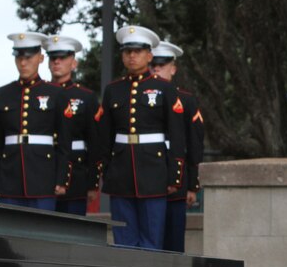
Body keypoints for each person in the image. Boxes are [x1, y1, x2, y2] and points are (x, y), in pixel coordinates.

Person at [96, 24, 186, 249]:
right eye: (128, 52)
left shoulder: (163, 89)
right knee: (123, 241)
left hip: (154, 172)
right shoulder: (113, 90)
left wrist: (175, 176)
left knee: (152, 240)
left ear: (149, 55)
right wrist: (104, 170)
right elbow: (105, 135)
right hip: (120, 173)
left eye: (137, 51)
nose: (132, 56)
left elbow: (177, 134)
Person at [0, 32, 71, 209]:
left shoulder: (56, 93)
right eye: (19, 58)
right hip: (10, 175)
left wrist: (61, 178)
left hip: (44, 175)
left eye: (28, 57)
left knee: (42, 232)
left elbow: (64, 141)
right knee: (9, 232)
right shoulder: (2, 94)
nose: (23, 63)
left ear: (40, 58)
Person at [151, 40, 205, 252]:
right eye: (153, 65)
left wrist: (192, 184)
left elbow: (194, 144)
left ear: (172, 69)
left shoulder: (186, 100)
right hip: (146, 177)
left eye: (161, 66)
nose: (156, 70)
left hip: (176, 178)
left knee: (173, 240)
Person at [45, 34, 100, 215]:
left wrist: (93, 182)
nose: (57, 62)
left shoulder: (86, 97)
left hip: (75, 171)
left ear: (73, 63)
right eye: (53, 58)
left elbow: (94, 141)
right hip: (43, 166)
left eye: (62, 58)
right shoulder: (41, 94)